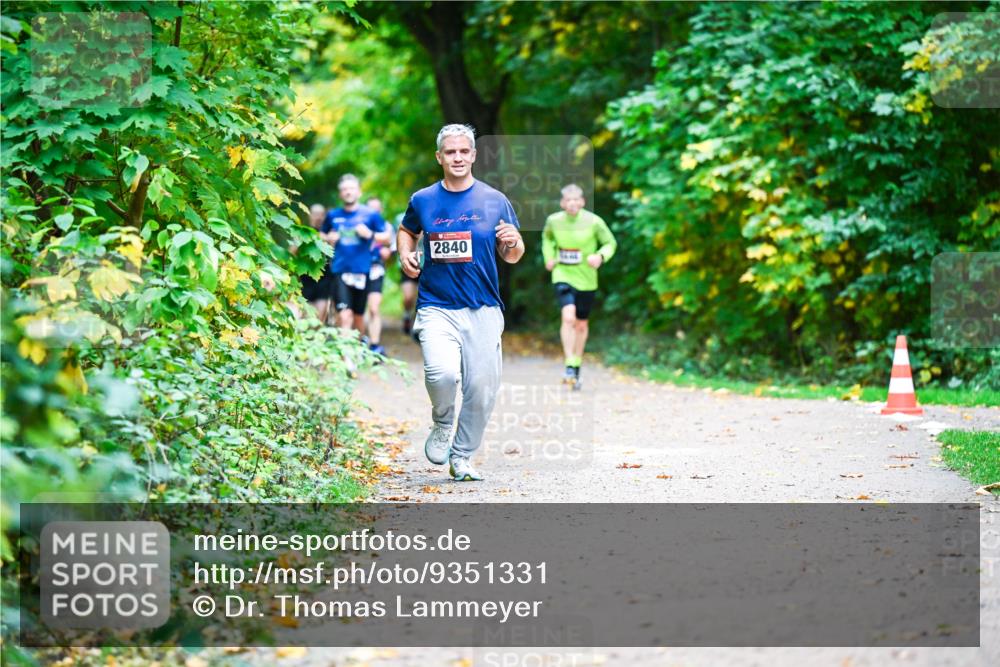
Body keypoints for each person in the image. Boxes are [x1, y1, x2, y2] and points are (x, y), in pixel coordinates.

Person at [397, 124, 524, 482]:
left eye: (463, 151)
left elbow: (512, 255)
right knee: (442, 374)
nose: (457, 157)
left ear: (473, 155)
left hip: (483, 306)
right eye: (450, 152)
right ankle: (442, 422)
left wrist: (513, 242)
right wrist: (405, 254)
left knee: (481, 390)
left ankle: (463, 456)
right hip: (436, 305)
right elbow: (407, 231)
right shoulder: (423, 199)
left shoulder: (494, 200)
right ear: (439, 157)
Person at [541, 183, 616, 390]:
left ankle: (576, 364)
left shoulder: (594, 221)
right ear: (562, 203)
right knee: (568, 317)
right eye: (568, 200)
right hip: (562, 274)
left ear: (582, 202)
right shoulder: (554, 221)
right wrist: (549, 257)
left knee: (581, 324)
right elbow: (547, 239)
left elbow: (610, 243)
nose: (572, 203)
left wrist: (600, 256)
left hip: (587, 279)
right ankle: (569, 363)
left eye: (576, 200)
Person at [320, 175, 390, 337]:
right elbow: (320, 235)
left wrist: (369, 234)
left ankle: (358, 348)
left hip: (363, 271)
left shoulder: (370, 215)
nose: (348, 192)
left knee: (358, 317)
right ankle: (345, 353)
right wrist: (328, 238)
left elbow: (387, 238)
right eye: (344, 189)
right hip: (339, 270)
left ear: (359, 192)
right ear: (340, 194)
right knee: (345, 315)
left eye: (351, 188)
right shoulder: (333, 215)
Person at [363, 196, 391, 356]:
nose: (373, 211)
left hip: (376, 269)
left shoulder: (386, 226)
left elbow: (391, 248)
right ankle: (359, 341)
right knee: (358, 310)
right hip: (357, 270)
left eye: (376, 209)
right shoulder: (358, 223)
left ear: (381, 210)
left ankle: (374, 345)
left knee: (373, 308)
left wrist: (386, 252)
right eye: (370, 208)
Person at [299, 203, 335, 324]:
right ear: (309, 215)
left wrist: (329, 241)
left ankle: (319, 334)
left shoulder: (329, 234)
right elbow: (292, 252)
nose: (318, 217)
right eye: (315, 214)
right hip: (306, 279)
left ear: (324, 216)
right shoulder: (302, 232)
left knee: (320, 317)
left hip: (324, 279)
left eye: (321, 215)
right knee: (306, 318)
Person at [398, 212, 420, 335]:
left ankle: (418, 325)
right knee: (408, 297)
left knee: (421, 298)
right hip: (410, 263)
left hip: (427, 265)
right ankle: (407, 315)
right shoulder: (403, 219)